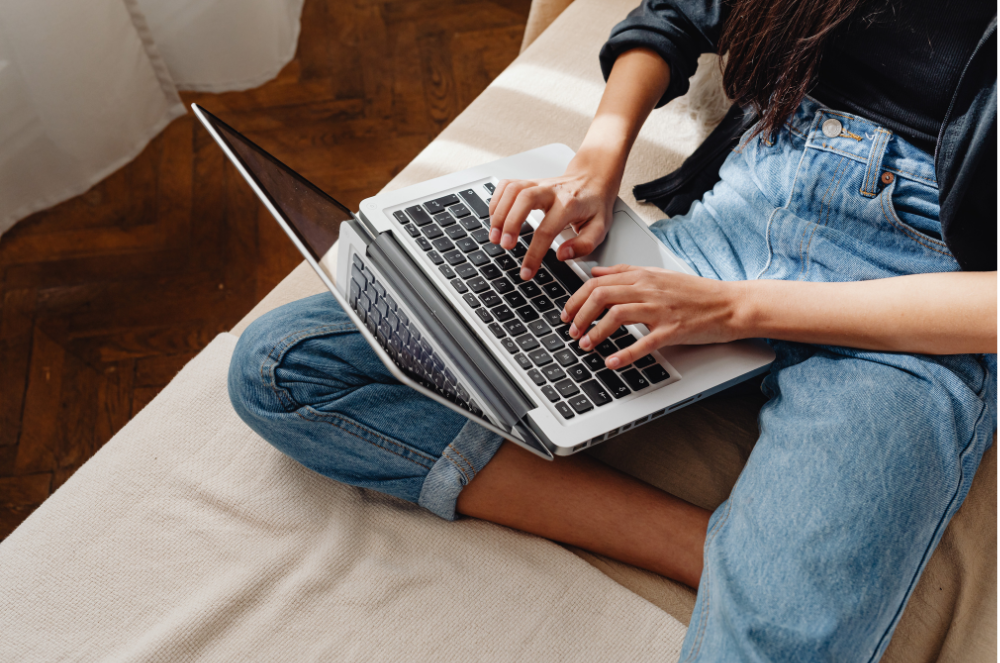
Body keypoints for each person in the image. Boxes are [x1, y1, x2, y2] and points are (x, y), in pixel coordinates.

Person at [228, 0, 997, 659]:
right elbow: (677, 13)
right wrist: (595, 163)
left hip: (918, 294)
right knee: (285, 365)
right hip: (744, 205)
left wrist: (731, 310)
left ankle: (764, 577)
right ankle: (717, 554)